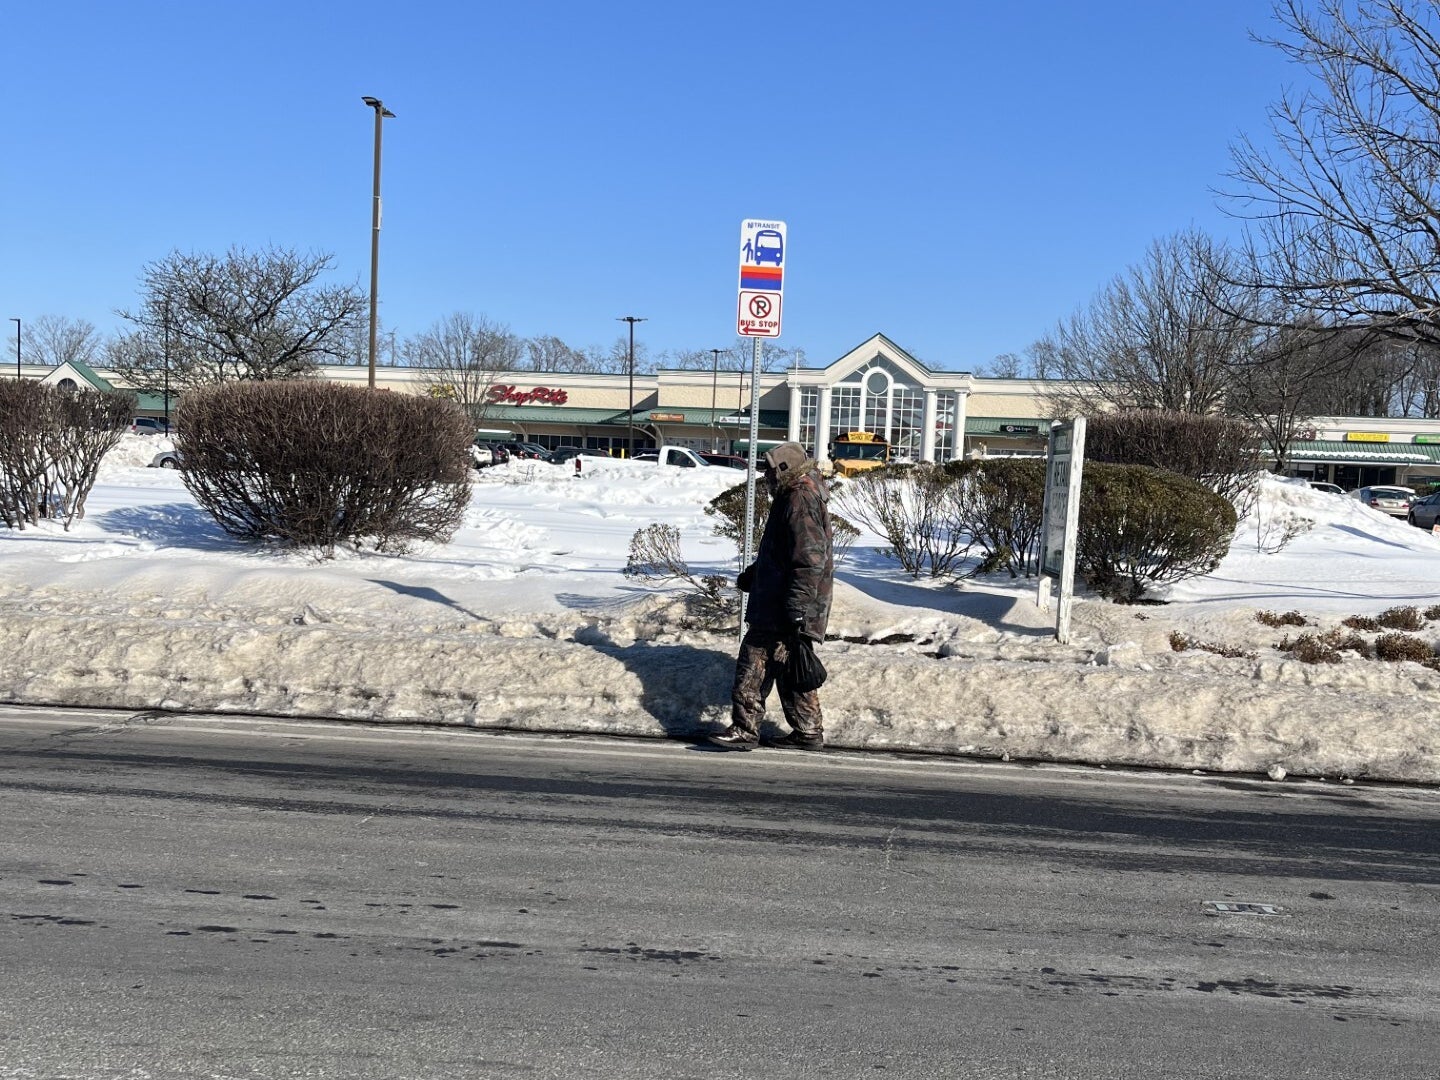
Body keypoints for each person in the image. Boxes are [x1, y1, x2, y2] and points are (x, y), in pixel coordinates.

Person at [709, 442, 834, 751]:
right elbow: (783, 554)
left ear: (783, 471)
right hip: (789, 602)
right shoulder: (797, 495)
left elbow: (808, 560)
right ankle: (808, 731)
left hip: (785, 605)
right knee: (789, 663)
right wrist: (755, 575)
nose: (764, 476)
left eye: (767, 469)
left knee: (754, 662)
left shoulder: (799, 499)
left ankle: (744, 729)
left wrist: (794, 607)